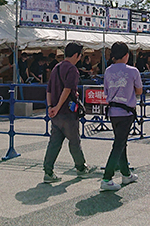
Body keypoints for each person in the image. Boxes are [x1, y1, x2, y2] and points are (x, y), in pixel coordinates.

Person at [42, 42, 96, 183]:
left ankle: (48, 171)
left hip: (56, 114)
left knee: (54, 143)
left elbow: (49, 90)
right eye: (80, 55)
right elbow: (67, 90)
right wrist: (58, 106)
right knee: (74, 141)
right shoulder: (72, 69)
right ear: (76, 55)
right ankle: (81, 168)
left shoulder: (56, 68)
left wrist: (51, 107)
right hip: (67, 112)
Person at [100, 42, 143, 191]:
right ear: (126, 55)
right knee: (119, 144)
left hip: (113, 112)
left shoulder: (108, 71)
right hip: (126, 112)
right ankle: (107, 177)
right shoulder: (133, 71)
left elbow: (106, 91)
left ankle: (126, 174)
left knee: (121, 142)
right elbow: (139, 91)